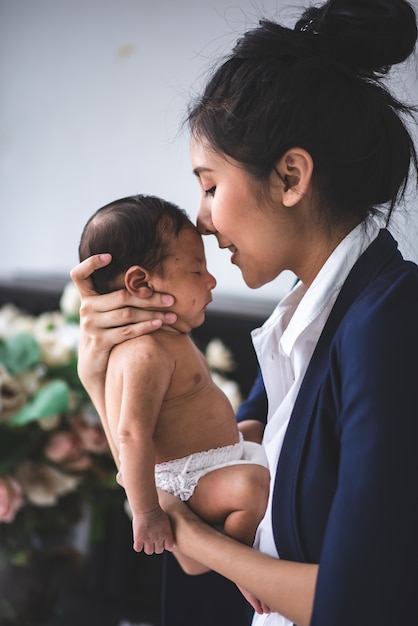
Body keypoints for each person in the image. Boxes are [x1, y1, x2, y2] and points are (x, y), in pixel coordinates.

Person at [70, 0, 418, 624]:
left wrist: (194, 539)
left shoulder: (388, 324)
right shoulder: (298, 331)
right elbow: (179, 485)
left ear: (290, 176)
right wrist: (99, 380)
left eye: (209, 185)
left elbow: (363, 603)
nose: (201, 220)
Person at [77, 194, 270, 557]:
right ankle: (240, 558)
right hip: (188, 481)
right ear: (141, 284)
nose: (211, 280)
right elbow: (132, 434)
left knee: (257, 430)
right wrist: (147, 512)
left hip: (215, 458)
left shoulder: (169, 336)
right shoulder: (144, 353)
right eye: (196, 271)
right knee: (253, 485)